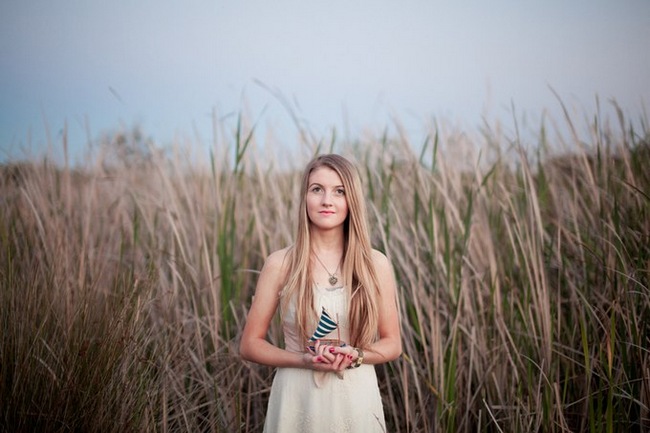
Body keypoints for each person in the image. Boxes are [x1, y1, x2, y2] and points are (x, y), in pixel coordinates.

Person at [239, 154, 402, 432]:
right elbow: (250, 344)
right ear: (305, 197)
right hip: (296, 397)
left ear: (352, 201)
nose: (327, 200)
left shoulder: (375, 264)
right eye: (317, 189)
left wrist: (356, 355)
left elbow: (392, 344)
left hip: (356, 396)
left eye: (339, 191)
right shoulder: (280, 264)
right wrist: (303, 360)